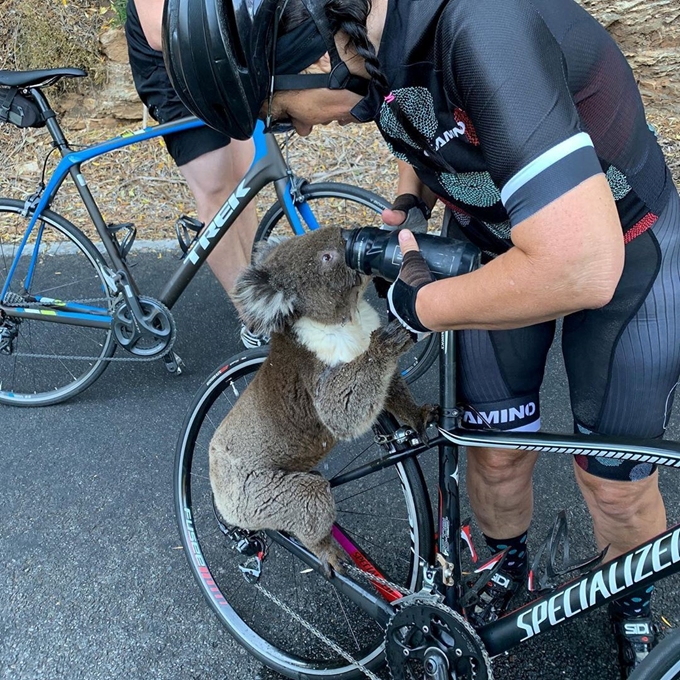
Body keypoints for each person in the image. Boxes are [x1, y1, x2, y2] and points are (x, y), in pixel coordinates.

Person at [163, 0, 680, 676]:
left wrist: (419, 305)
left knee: (614, 485)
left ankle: (630, 599)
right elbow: (421, 122)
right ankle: (502, 565)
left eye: (280, 114)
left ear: (309, 56)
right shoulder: (373, 44)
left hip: (627, 254)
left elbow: (580, 266)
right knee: (494, 456)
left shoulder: (481, 28)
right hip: (491, 245)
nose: (300, 133)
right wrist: (413, 196)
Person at [124, 0, 265, 347]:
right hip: (171, 74)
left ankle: (257, 291)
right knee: (215, 191)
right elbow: (159, 33)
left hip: (212, 65)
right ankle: (254, 320)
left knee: (244, 182)